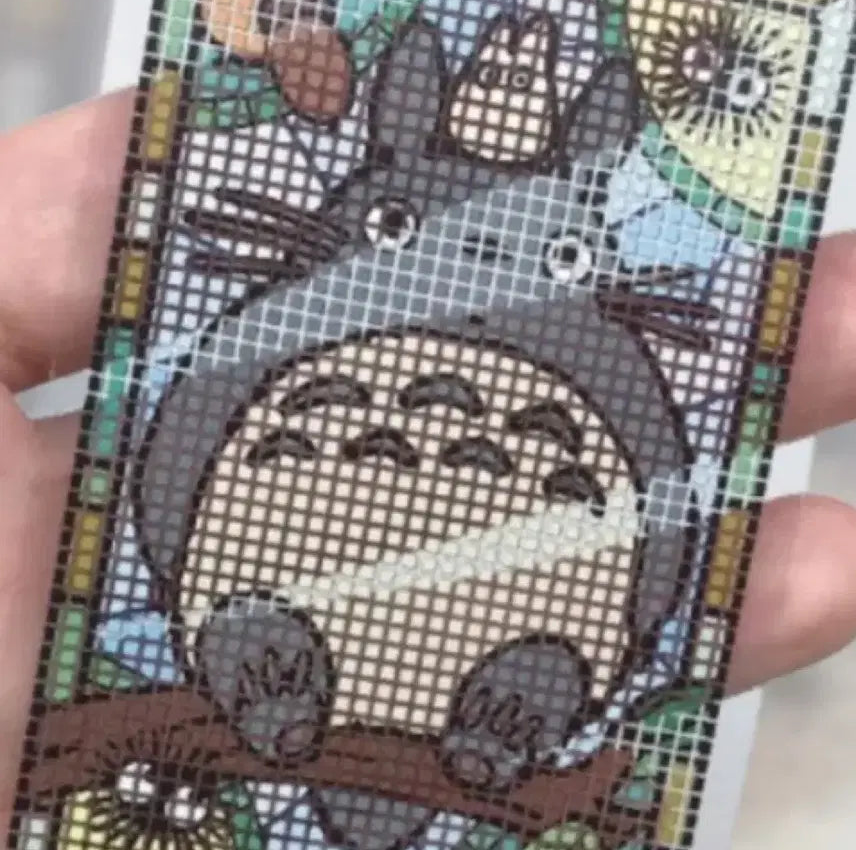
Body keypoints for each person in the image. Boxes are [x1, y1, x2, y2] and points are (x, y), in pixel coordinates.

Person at [1, 90, 856, 814]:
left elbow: (663, 531)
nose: (478, 261)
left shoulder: (610, 372)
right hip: (264, 602)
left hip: (522, 639)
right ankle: (267, 655)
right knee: (254, 621)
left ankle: (516, 696)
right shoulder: (285, 330)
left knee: (548, 651)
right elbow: (178, 456)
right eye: (400, 225)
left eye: (558, 255)